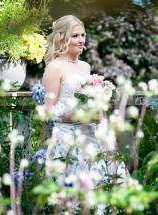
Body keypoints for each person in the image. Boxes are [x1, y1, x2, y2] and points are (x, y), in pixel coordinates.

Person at [41, 15, 128, 213]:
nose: (81, 40)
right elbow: (48, 111)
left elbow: (87, 99)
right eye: (75, 36)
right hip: (68, 137)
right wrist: (77, 116)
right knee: (74, 196)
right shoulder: (54, 68)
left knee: (102, 189)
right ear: (62, 38)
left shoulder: (85, 67)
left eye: (83, 35)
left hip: (94, 134)